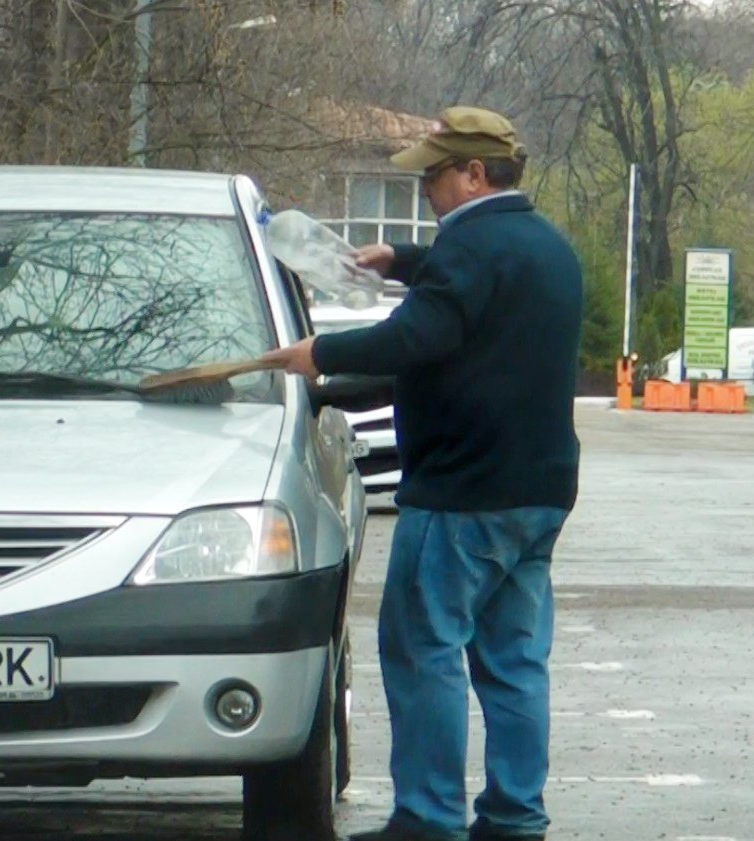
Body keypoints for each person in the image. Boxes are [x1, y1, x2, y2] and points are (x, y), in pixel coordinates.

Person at [263, 106, 584, 841]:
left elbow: (417, 334)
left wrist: (322, 354)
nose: (426, 191)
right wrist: (401, 259)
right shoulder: (548, 248)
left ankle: (430, 817)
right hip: (536, 495)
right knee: (514, 661)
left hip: (460, 494)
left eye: (433, 177)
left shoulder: (466, 252)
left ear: (473, 174)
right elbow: (474, 293)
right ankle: (514, 816)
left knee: (423, 649)